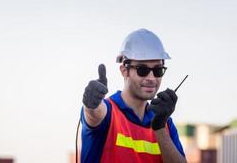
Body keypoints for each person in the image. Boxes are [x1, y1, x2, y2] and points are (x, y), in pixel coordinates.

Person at [80, 28, 186, 163]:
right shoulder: (109, 112)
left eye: (158, 70)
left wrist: (159, 128)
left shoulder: (165, 124)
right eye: (143, 70)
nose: (152, 78)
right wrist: (90, 104)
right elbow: (94, 113)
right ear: (124, 71)